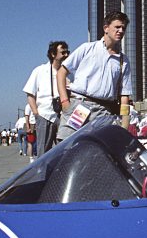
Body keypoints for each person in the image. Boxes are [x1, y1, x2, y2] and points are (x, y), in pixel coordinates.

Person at [56, 12, 132, 141]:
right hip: (80, 107)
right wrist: (65, 102)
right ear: (106, 28)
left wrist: (124, 126)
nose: (121, 31)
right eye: (117, 27)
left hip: (103, 112)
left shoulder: (123, 61)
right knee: (67, 146)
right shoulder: (87, 49)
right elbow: (61, 73)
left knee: (97, 150)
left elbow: (125, 96)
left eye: (123, 28)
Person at [23, 40, 69, 158]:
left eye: (67, 52)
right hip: (45, 115)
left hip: (63, 116)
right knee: (43, 152)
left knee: (65, 151)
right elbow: (30, 94)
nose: (66, 55)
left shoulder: (69, 72)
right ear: (53, 54)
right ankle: (42, 175)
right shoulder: (40, 71)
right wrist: (36, 113)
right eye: (63, 52)